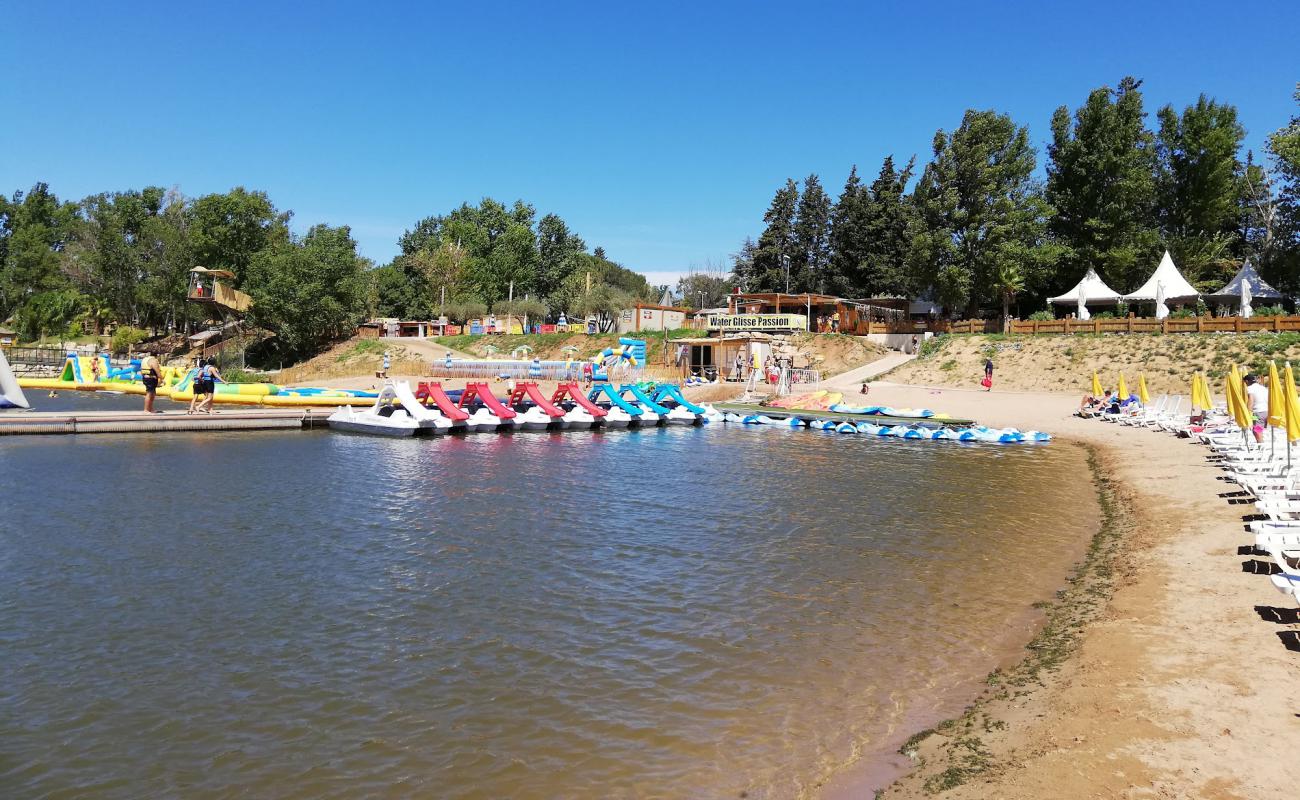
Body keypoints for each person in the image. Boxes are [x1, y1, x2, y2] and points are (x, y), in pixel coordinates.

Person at [1245, 373, 1268, 444]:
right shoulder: (1263, 387)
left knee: (1257, 430)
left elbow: (1251, 400)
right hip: (1266, 411)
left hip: (1257, 412)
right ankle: (1260, 442)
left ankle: (1261, 445)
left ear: (1247, 381)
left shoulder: (1250, 388)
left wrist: (1248, 412)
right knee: (1257, 429)